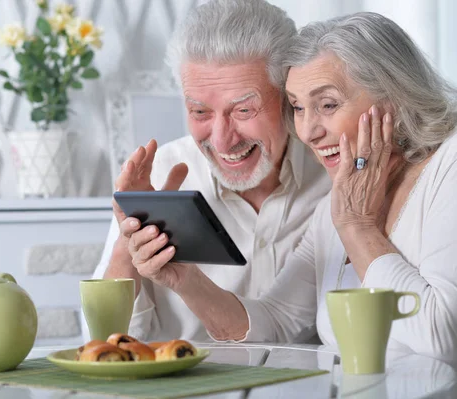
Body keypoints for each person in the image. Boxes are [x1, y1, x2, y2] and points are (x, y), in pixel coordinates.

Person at [125, 11, 457, 363]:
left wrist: (357, 228)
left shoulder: (446, 168)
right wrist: (184, 280)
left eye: (327, 105)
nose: (308, 131)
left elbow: (444, 336)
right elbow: (278, 321)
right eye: (298, 107)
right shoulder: (338, 202)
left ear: (393, 100)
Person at [89, 0, 330, 342]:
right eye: (200, 112)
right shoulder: (158, 175)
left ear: (288, 99)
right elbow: (103, 343)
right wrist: (126, 243)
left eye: (244, 110)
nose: (222, 140)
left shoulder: (332, 177)